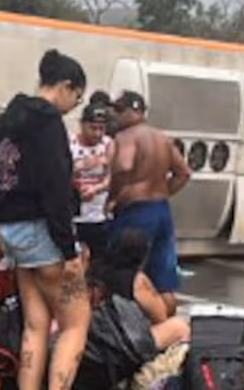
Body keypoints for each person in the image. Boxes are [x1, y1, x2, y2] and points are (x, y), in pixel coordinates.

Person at [0, 48, 90, 390]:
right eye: (76, 97)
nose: (74, 106)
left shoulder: (8, 120)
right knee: (75, 322)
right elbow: (55, 188)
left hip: (13, 229)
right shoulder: (48, 124)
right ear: (64, 86)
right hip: (42, 231)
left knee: (36, 324)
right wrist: (69, 250)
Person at [107, 90, 191, 311]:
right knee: (163, 282)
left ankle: (126, 323)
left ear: (133, 112)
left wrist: (112, 196)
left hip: (135, 212)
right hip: (161, 210)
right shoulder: (162, 138)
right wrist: (163, 191)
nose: (114, 115)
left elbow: (124, 166)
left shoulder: (126, 136)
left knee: (124, 275)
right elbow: (183, 173)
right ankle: (169, 324)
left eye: (118, 110)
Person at [88, 229, 190, 349]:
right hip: (124, 340)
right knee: (179, 327)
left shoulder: (93, 272)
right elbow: (160, 315)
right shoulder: (138, 281)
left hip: (92, 336)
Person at [71, 104, 114, 261]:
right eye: (93, 128)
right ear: (82, 124)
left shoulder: (108, 144)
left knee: (100, 260)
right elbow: (58, 176)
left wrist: (97, 189)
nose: (97, 133)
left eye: (101, 129)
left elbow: (112, 177)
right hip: (75, 215)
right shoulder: (70, 143)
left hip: (98, 215)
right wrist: (79, 166)